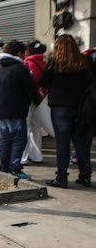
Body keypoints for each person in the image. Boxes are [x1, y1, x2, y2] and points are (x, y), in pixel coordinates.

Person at [38, 34, 94, 188]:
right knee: (82, 144)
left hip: (60, 108)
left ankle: (61, 178)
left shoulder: (55, 62)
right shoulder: (85, 61)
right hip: (82, 109)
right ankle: (85, 176)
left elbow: (42, 80)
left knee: (62, 144)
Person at [0, 41, 36, 178]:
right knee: (18, 140)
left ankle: (3, 166)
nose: (25, 56)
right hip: (16, 110)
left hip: (0, 110)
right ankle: (15, 168)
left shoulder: (0, 68)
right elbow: (31, 87)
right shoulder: (20, 68)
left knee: (4, 139)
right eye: (24, 54)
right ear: (19, 53)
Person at [21, 40, 49, 165]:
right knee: (36, 129)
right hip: (41, 100)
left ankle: (23, 157)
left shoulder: (26, 63)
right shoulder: (45, 64)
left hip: (28, 99)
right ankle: (37, 156)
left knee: (26, 128)